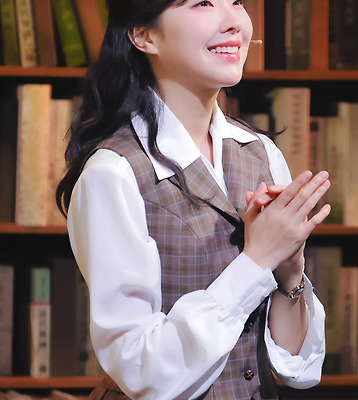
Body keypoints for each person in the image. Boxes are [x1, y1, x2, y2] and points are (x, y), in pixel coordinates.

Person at [56, 0, 331, 399]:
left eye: (236, 2)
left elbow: (297, 369)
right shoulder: (114, 172)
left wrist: (289, 272)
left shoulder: (261, 153)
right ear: (144, 35)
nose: (233, 22)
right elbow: (139, 371)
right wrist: (255, 262)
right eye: (203, 3)